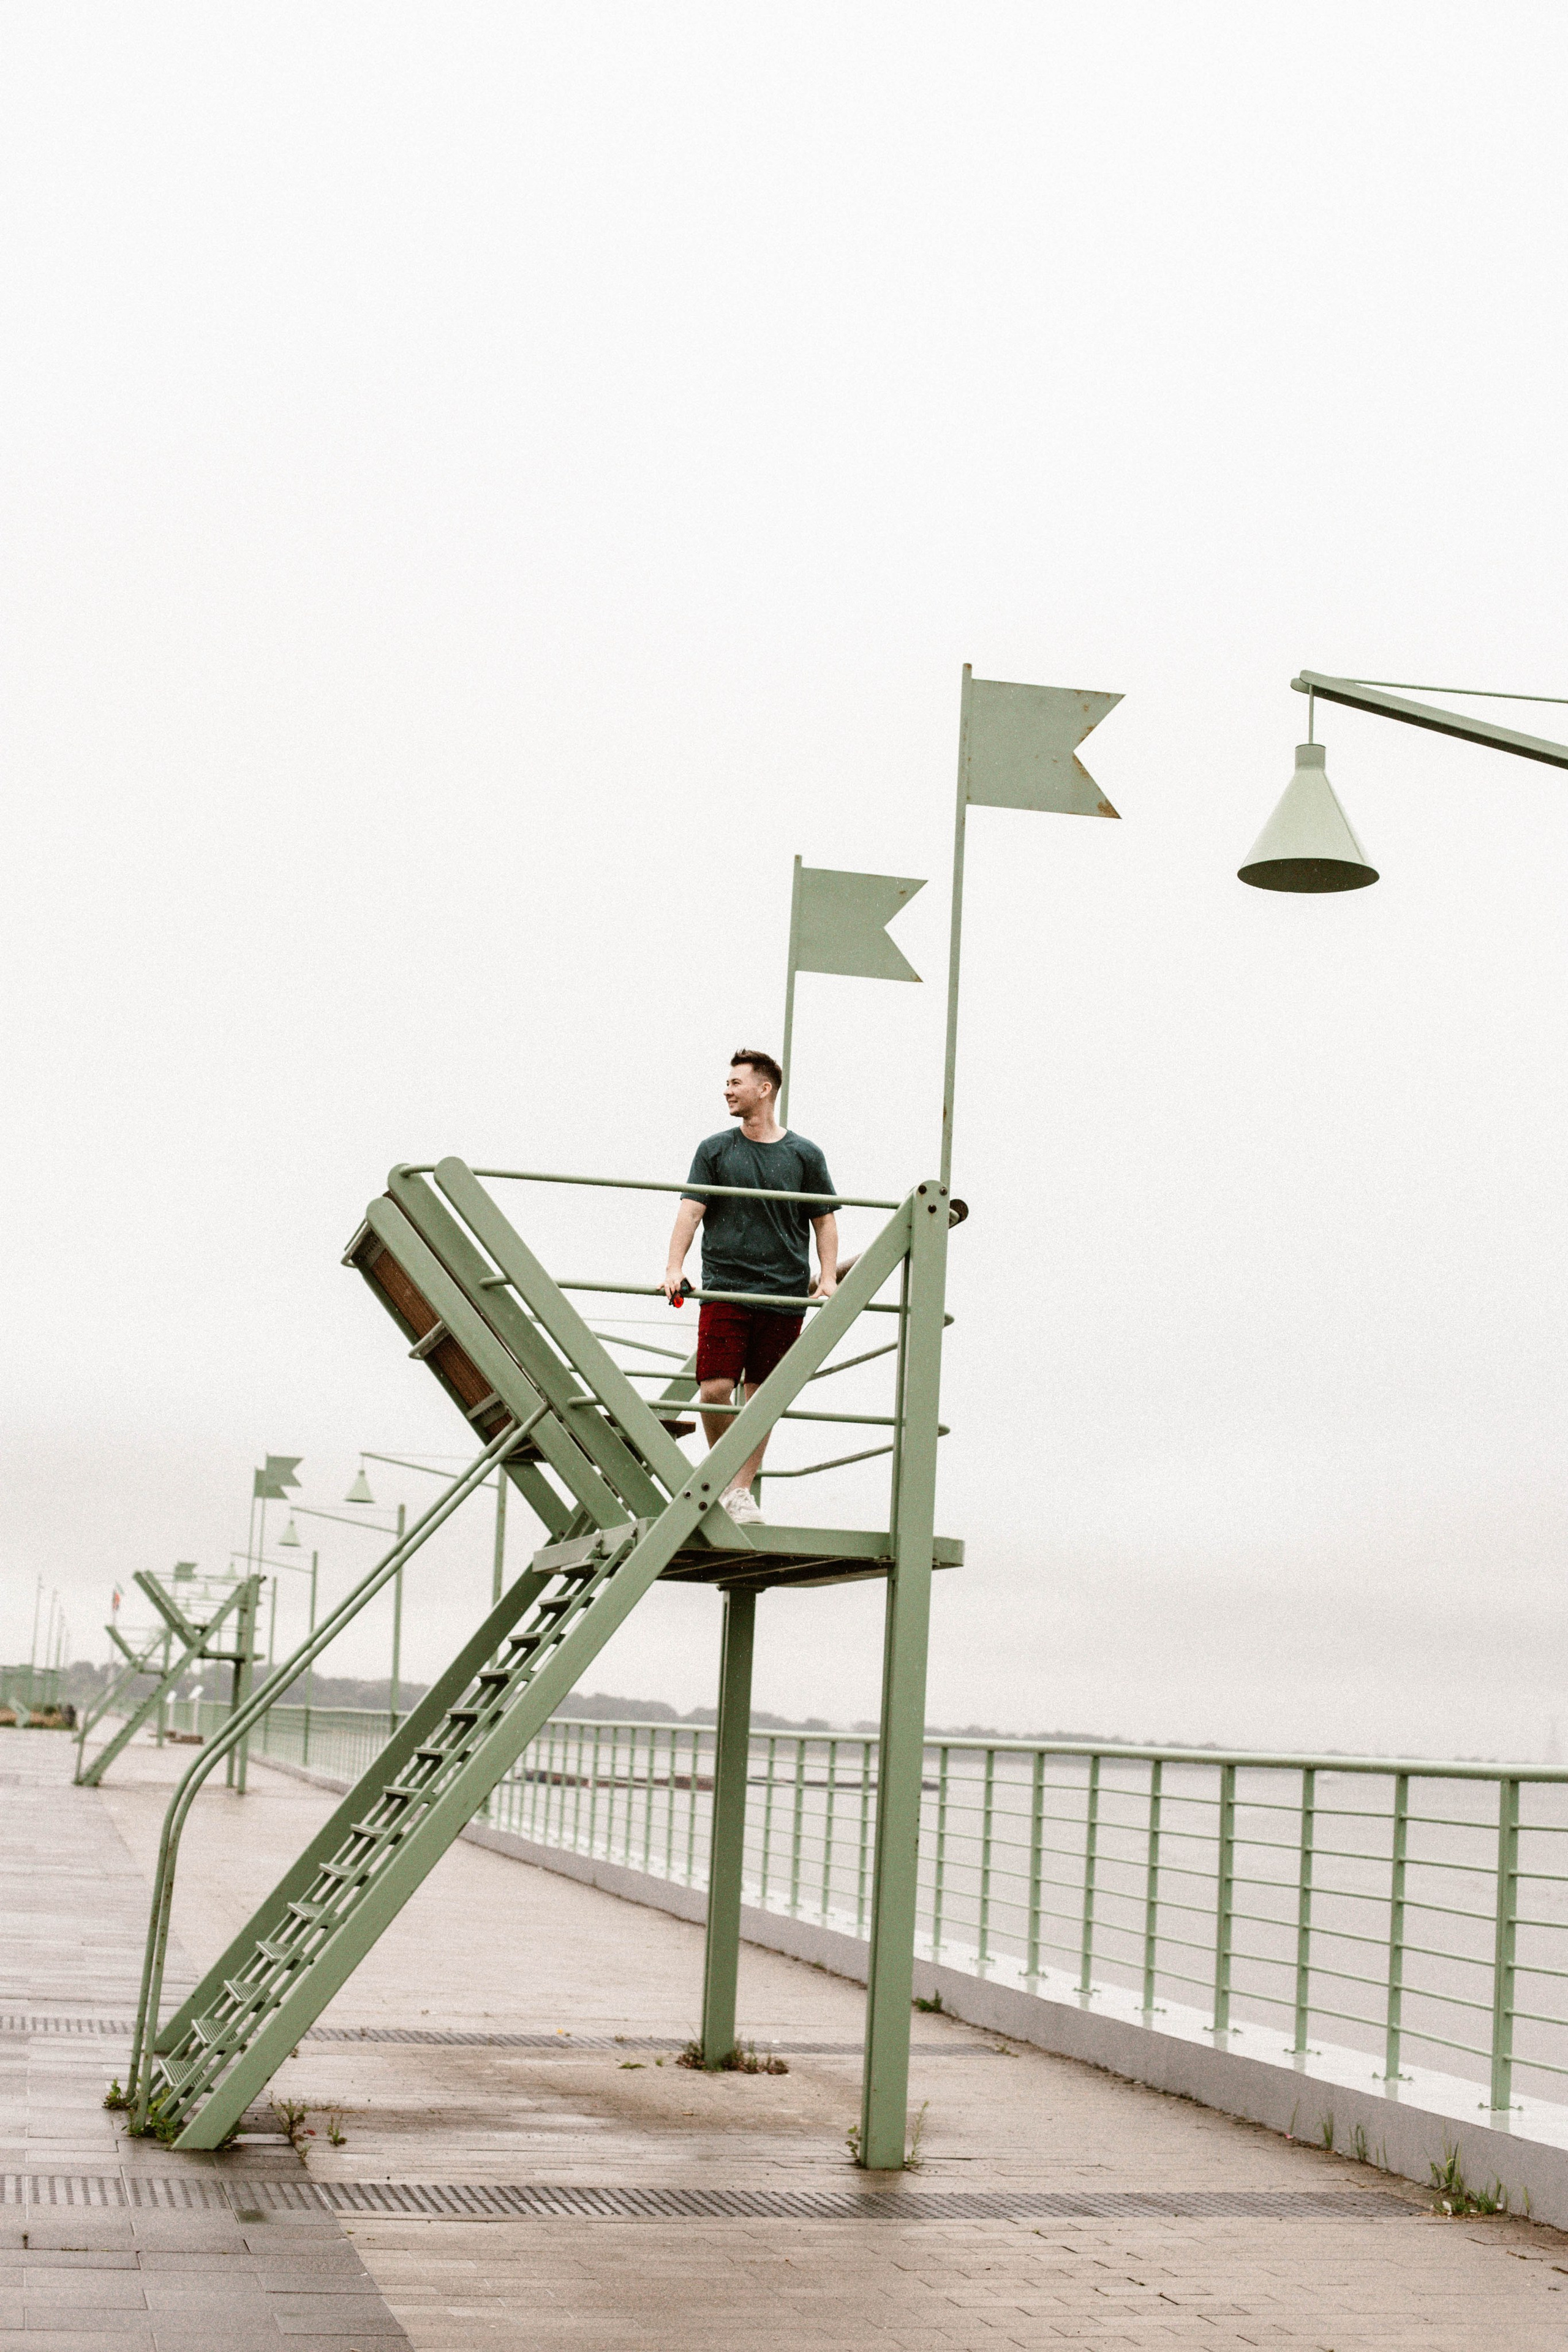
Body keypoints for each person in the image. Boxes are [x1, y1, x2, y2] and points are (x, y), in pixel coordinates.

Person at [662, 1050, 839, 1523]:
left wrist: (827, 1276)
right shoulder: (715, 1150)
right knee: (715, 1389)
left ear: (765, 1089)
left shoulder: (804, 1154)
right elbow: (691, 1210)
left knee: (763, 1397)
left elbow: (824, 1220)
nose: (727, 1090)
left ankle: (740, 1491)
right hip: (726, 1287)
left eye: (736, 1083)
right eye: (727, 1083)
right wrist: (674, 1267)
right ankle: (724, 1479)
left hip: (783, 1292)